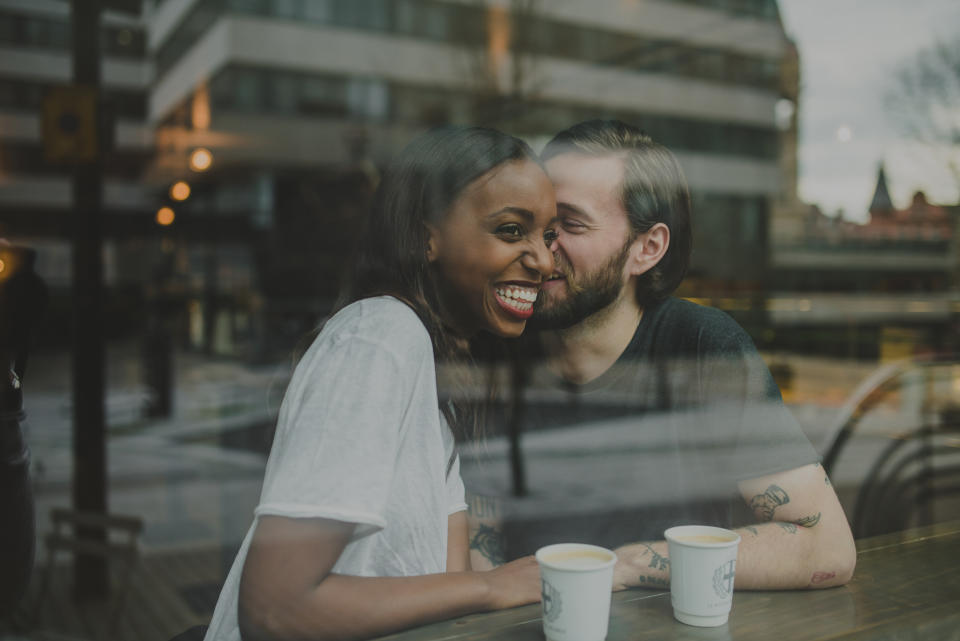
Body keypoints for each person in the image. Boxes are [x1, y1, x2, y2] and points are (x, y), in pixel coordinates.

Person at [468, 120, 856, 591]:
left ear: (646, 249)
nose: (542, 248)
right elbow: (477, 548)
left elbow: (828, 549)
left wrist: (624, 567)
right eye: (538, 221)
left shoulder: (701, 349)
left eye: (569, 224)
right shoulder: (492, 347)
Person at [203, 126, 557, 641]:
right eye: (510, 230)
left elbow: (443, 588)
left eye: (548, 236)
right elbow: (275, 609)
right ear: (424, 236)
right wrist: (495, 587)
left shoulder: (429, 374)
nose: (544, 260)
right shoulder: (380, 337)